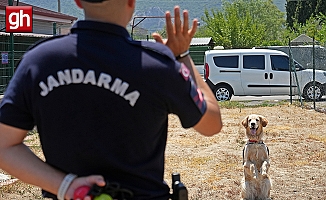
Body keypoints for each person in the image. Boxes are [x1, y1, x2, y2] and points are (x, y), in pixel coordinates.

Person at [0, 0, 222, 199]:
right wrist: (182, 57)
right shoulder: (156, 65)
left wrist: (66, 186)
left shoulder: (38, 61)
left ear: (78, 1)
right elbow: (212, 124)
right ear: (131, 2)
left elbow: (4, 146)